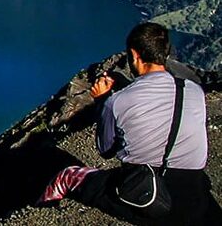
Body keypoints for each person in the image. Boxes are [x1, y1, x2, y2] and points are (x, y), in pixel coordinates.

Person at [38, 22, 222, 224]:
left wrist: (102, 100)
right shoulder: (195, 91)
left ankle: (38, 211)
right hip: (196, 195)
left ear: (134, 55)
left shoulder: (117, 101)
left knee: (68, 176)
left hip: (148, 196)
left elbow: (106, 150)